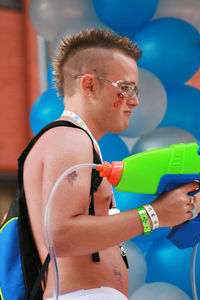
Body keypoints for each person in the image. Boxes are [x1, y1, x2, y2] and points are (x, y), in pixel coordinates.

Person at [23, 29, 199, 300]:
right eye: (126, 88)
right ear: (90, 86)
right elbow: (60, 235)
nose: (135, 101)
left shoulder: (73, 139)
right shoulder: (70, 138)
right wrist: (155, 214)